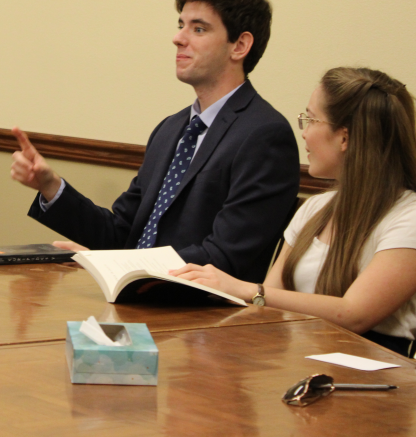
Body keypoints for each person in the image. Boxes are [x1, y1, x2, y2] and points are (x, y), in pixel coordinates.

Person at [11, 0, 300, 282]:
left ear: (239, 45)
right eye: (181, 25)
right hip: (138, 300)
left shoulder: (265, 136)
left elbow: (223, 257)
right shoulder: (171, 129)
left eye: (198, 29)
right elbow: (121, 233)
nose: (178, 38)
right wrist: (51, 187)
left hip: (202, 317)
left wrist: (117, 265)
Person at [172, 67, 416, 357]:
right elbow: (270, 301)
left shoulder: (407, 217)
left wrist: (245, 289)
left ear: (344, 138)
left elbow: (354, 314)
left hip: (375, 374)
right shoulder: (316, 207)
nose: (304, 132)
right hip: (299, 357)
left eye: (311, 119)